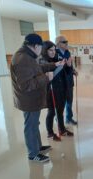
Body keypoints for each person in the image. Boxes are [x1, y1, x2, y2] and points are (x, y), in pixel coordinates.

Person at [10, 33, 64, 163]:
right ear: (35, 46)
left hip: (32, 99)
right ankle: (32, 154)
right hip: (28, 100)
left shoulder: (27, 55)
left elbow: (37, 68)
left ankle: (38, 147)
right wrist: (46, 78)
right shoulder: (22, 59)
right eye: (41, 47)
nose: (41, 51)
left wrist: (54, 65)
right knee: (30, 126)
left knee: (35, 124)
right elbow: (25, 85)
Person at [39, 41, 74, 141]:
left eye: (54, 50)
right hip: (50, 91)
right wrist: (59, 66)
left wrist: (68, 66)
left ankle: (62, 129)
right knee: (51, 112)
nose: (53, 52)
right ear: (45, 50)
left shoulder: (57, 58)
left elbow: (66, 72)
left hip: (61, 88)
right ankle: (50, 132)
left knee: (60, 110)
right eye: (50, 50)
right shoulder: (43, 61)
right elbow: (50, 76)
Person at [55, 35, 78, 125]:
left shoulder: (67, 52)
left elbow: (70, 65)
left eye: (67, 41)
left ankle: (69, 118)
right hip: (60, 83)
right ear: (58, 44)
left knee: (69, 101)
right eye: (64, 42)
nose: (67, 43)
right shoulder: (55, 54)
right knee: (61, 102)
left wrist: (73, 71)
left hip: (69, 81)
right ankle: (59, 118)